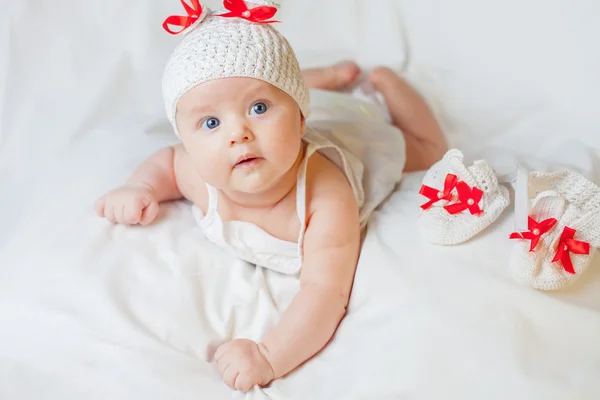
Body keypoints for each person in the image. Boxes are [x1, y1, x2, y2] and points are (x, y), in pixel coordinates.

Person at [94, 0, 446, 392]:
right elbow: (164, 164)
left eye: (258, 107)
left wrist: (269, 355)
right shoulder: (195, 171)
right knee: (281, 87)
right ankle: (323, 78)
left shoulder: (326, 198)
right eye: (210, 122)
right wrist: (140, 187)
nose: (238, 133)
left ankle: (383, 82)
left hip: (350, 130)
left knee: (428, 153)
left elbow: (326, 292)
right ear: (186, 141)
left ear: (298, 119)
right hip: (303, 102)